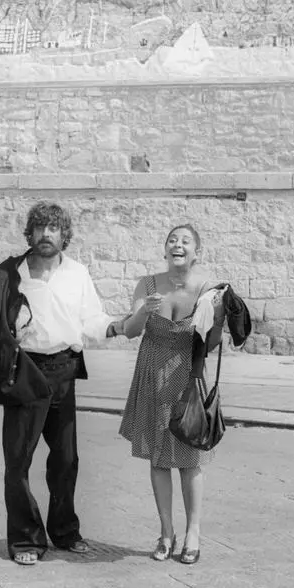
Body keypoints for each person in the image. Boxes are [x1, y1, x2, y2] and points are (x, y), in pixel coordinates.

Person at [0, 201, 124, 566]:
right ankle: (26, 539)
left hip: (64, 368)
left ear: (65, 236)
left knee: (66, 459)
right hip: (25, 371)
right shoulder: (11, 273)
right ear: (29, 234)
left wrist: (115, 326)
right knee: (18, 460)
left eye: (54, 228)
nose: (46, 235)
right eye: (40, 228)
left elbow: (91, 319)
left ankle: (64, 532)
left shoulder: (77, 272)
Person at [117, 223, 219, 565]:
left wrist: (216, 312)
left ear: (196, 252)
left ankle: (193, 532)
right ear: (165, 250)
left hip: (186, 378)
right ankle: (166, 532)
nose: (179, 244)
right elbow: (130, 332)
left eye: (186, 241)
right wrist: (144, 311)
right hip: (150, 374)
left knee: (190, 460)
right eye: (172, 240)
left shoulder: (208, 288)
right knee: (158, 458)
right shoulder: (147, 285)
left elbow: (214, 340)